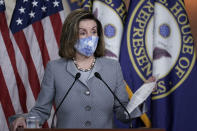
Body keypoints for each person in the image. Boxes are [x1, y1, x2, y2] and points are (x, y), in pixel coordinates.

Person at [11, 9, 156, 130]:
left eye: (93, 31)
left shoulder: (112, 68)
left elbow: (122, 114)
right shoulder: (55, 69)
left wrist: (140, 98)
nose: (90, 37)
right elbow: (41, 111)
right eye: (83, 33)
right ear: (71, 36)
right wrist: (26, 120)